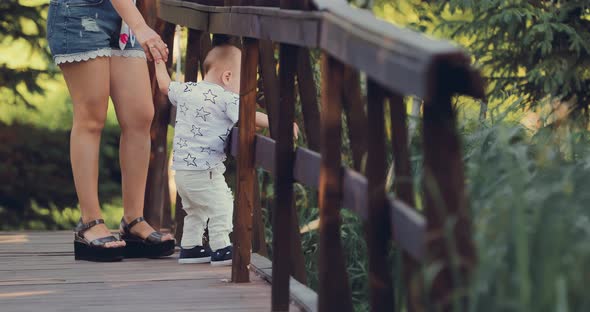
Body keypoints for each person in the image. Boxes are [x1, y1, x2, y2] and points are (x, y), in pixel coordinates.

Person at [46, 0, 175, 262]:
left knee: (140, 115)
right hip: (80, 13)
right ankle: (89, 223)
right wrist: (141, 25)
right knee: (91, 118)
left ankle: (133, 222)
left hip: (124, 14)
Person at [155, 43, 298, 265]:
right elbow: (250, 115)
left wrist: (157, 60)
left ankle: (190, 248)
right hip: (205, 171)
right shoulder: (225, 98)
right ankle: (221, 248)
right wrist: (281, 125)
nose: (242, 92)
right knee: (221, 203)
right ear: (228, 76)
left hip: (182, 172)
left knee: (196, 211)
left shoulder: (187, 89)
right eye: (243, 84)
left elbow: (164, 85)